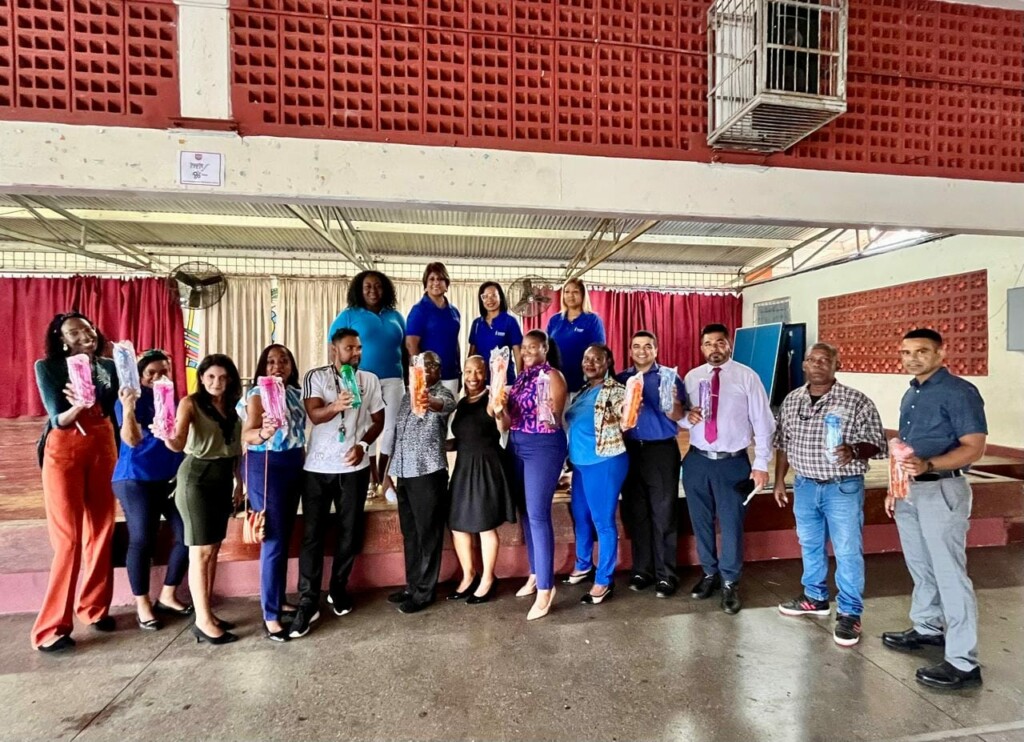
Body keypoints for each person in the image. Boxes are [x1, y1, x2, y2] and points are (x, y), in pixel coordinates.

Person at [881, 328, 987, 690]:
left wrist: (930, 465)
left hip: (942, 488)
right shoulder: (912, 392)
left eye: (921, 351)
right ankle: (928, 627)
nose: (912, 358)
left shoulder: (959, 392)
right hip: (911, 491)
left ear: (941, 354)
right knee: (921, 565)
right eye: (906, 352)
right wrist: (896, 487)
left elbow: (973, 447)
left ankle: (963, 662)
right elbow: (907, 448)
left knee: (949, 573)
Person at [772, 343, 886, 647]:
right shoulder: (792, 400)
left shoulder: (856, 401)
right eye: (812, 360)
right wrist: (779, 481)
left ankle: (849, 613)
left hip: (842, 487)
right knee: (809, 544)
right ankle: (814, 597)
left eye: (825, 360)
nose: (817, 364)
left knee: (847, 550)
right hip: (805, 486)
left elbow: (878, 442)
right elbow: (782, 443)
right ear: (804, 365)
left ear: (837, 364)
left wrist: (854, 450)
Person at [31, 312, 119, 652]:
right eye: (74, 332)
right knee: (68, 540)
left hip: (103, 445)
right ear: (61, 339)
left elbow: (113, 407)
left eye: (87, 328)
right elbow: (59, 418)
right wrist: (79, 405)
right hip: (64, 450)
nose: (85, 334)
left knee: (102, 531)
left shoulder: (107, 366)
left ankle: (94, 608)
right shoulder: (48, 367)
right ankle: (50, 628)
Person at [290, 328, 385, 638]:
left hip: (355, 468)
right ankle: (308, 599)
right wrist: (336, 406)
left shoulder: (369, 379)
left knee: (350, 532)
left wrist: (363, 445)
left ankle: (338, 589)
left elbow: (379, 420)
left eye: (359, 348)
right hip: (318, 468)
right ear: (334, 350)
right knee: (312, 535)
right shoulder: (315, 376)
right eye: (349, 348)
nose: (356, 354)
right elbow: (315, 415)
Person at [680, 323, 775, 615]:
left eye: (720, 342)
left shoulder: (747, 377)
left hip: (732, 462)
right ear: (701, 348)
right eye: (708, 343)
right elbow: (680, 417)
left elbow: (763, 423)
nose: (715, 348)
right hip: (697, 460)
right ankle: (709, 573)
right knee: (700, 520)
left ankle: (730, 580)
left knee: (732, 522)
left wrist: (760, 464)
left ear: (729, 345)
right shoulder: (692, 377)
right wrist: (687, 417)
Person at [161, 354, 244, 645]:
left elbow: (236, 449)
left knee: (213, 549)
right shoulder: (191, 403)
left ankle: (207, 612)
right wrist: (166, 434)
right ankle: (203, 621)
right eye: (210, 377)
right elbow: (178, 442)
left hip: (223, 478)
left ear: (230, 379)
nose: (216, 382)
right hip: (197, 478)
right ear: (201, 378)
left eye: (222, 377)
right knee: (200, 551)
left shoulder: (234, 406)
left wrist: (239, 483)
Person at [493, 330, 568, 621]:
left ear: (545, 348)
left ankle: (547, 589)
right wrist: (499, 408)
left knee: (538, 514)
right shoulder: (520, 379)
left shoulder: (554, 376)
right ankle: (536, 574)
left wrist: (548, 412)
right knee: (525, 512)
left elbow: (553, 420)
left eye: (534, 347)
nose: (527, 352)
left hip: (543, 447)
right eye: (524, 347)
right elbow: (505, 423)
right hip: (516, 444)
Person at [113, 349, 190, 632]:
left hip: (169, 479)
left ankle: (168, 594)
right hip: (136, 479)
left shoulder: (175, 401)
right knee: (142, 538)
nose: (158, 377)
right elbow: (131, 440)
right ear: (140, 376)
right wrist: (129, 408)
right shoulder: (130, 399)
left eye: (164, 372)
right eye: (151, 373)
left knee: (188, 535)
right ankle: (142, 603)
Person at [238, 344, 307, 642]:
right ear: (262, 367)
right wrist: (265, 432)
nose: (277, 366)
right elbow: (248, 433)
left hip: (293, 464)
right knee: (274, 539)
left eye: (283, 361)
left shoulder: (295, 393)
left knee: (285, 534)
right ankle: (270, 616)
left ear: (291, 365)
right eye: (270, 362)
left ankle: (278, 600)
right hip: (266, 465)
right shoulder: (258, 394)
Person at [616, 331, 686, 598]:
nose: (641, 351)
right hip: (630, 450)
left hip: (661, 450)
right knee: (637, 513)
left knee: (664, 512)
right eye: (636, 346)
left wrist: (672, 400)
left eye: (647, 346)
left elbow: (678, 415)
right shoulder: (622, 379)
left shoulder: (669, 377)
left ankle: (666, 575)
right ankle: (641, 570)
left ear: (656, 350)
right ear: (630, 351)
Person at [328, 270, 406, 503]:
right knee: (367, 426)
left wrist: (410, 378)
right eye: (368, 286)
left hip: (394, 379)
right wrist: (340, 378)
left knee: (393, 428)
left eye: (378, 286)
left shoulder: (395, 316)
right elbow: (334, 348)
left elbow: (404, 349)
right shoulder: (348, 315)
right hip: (361, 379)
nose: (373, 291)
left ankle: (385, 476)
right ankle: (371, 476)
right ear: (359, 290)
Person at [388, 351, 457, 614]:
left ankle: (425, 593)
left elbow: (445, 405)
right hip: (404, 473)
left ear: (439, 369)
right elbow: (398, 436)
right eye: (419, 365)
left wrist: (429, 400)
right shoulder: (408, 395)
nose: (425, 370)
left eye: (430, 366)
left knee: (428, 535)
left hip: (428, 473)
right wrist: (387, 474)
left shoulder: (442, 393)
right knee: (411, 534)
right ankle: (412, 586)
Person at [564, 343, 632, 605]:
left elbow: (625, 410)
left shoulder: (615, 390)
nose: (590, 363)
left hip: (604, 462)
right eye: (587, 358)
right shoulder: (583, 391)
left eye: (597, 359)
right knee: (581, 517)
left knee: (602, 521)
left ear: (608, 362)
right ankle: (583, 564)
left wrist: (628, 413)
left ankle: (604, 580)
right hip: (579, 464)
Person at [448, 356, 516, 605]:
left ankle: (488, 578)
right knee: (457, 525)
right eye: (468, 372)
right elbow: (464, 437)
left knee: (485, 525)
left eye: (478, 372)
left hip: (486, 467)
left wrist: (499, 411)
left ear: (486, 374)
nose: (473, 377)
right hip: (464, 468)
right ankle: (469, 576)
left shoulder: (492, 398)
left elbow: (504, 425)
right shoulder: (462, 402)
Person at [406, 262, 461, 397]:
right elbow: (411, 345)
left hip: (451, 375)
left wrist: (459, 372)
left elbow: (455, 343)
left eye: (440, 279)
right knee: (428, 411)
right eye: (431, 279)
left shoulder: (454, 312)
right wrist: (420, 376)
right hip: (428, 378)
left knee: (450, 410)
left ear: (446, 285)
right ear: (425, 285)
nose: (436, 282)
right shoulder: (418, 310)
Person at [546, 278, 605, 392]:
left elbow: (599, 353)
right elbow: (545, 349)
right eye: (567, 292)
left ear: (583, 295)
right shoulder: (554, 320)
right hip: (556, 385)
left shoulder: (593, 320)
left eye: (575, 292)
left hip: (582, 386)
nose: (570, 295)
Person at [467, 281, 523, 384]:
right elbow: (471, 355)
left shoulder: (510, 322)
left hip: (504, 380)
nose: (489, 300)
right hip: (480, 381)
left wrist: (520, 381)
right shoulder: (477, 324)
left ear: (500, 297)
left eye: (493, 295)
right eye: (485, 296)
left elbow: (518, 354)